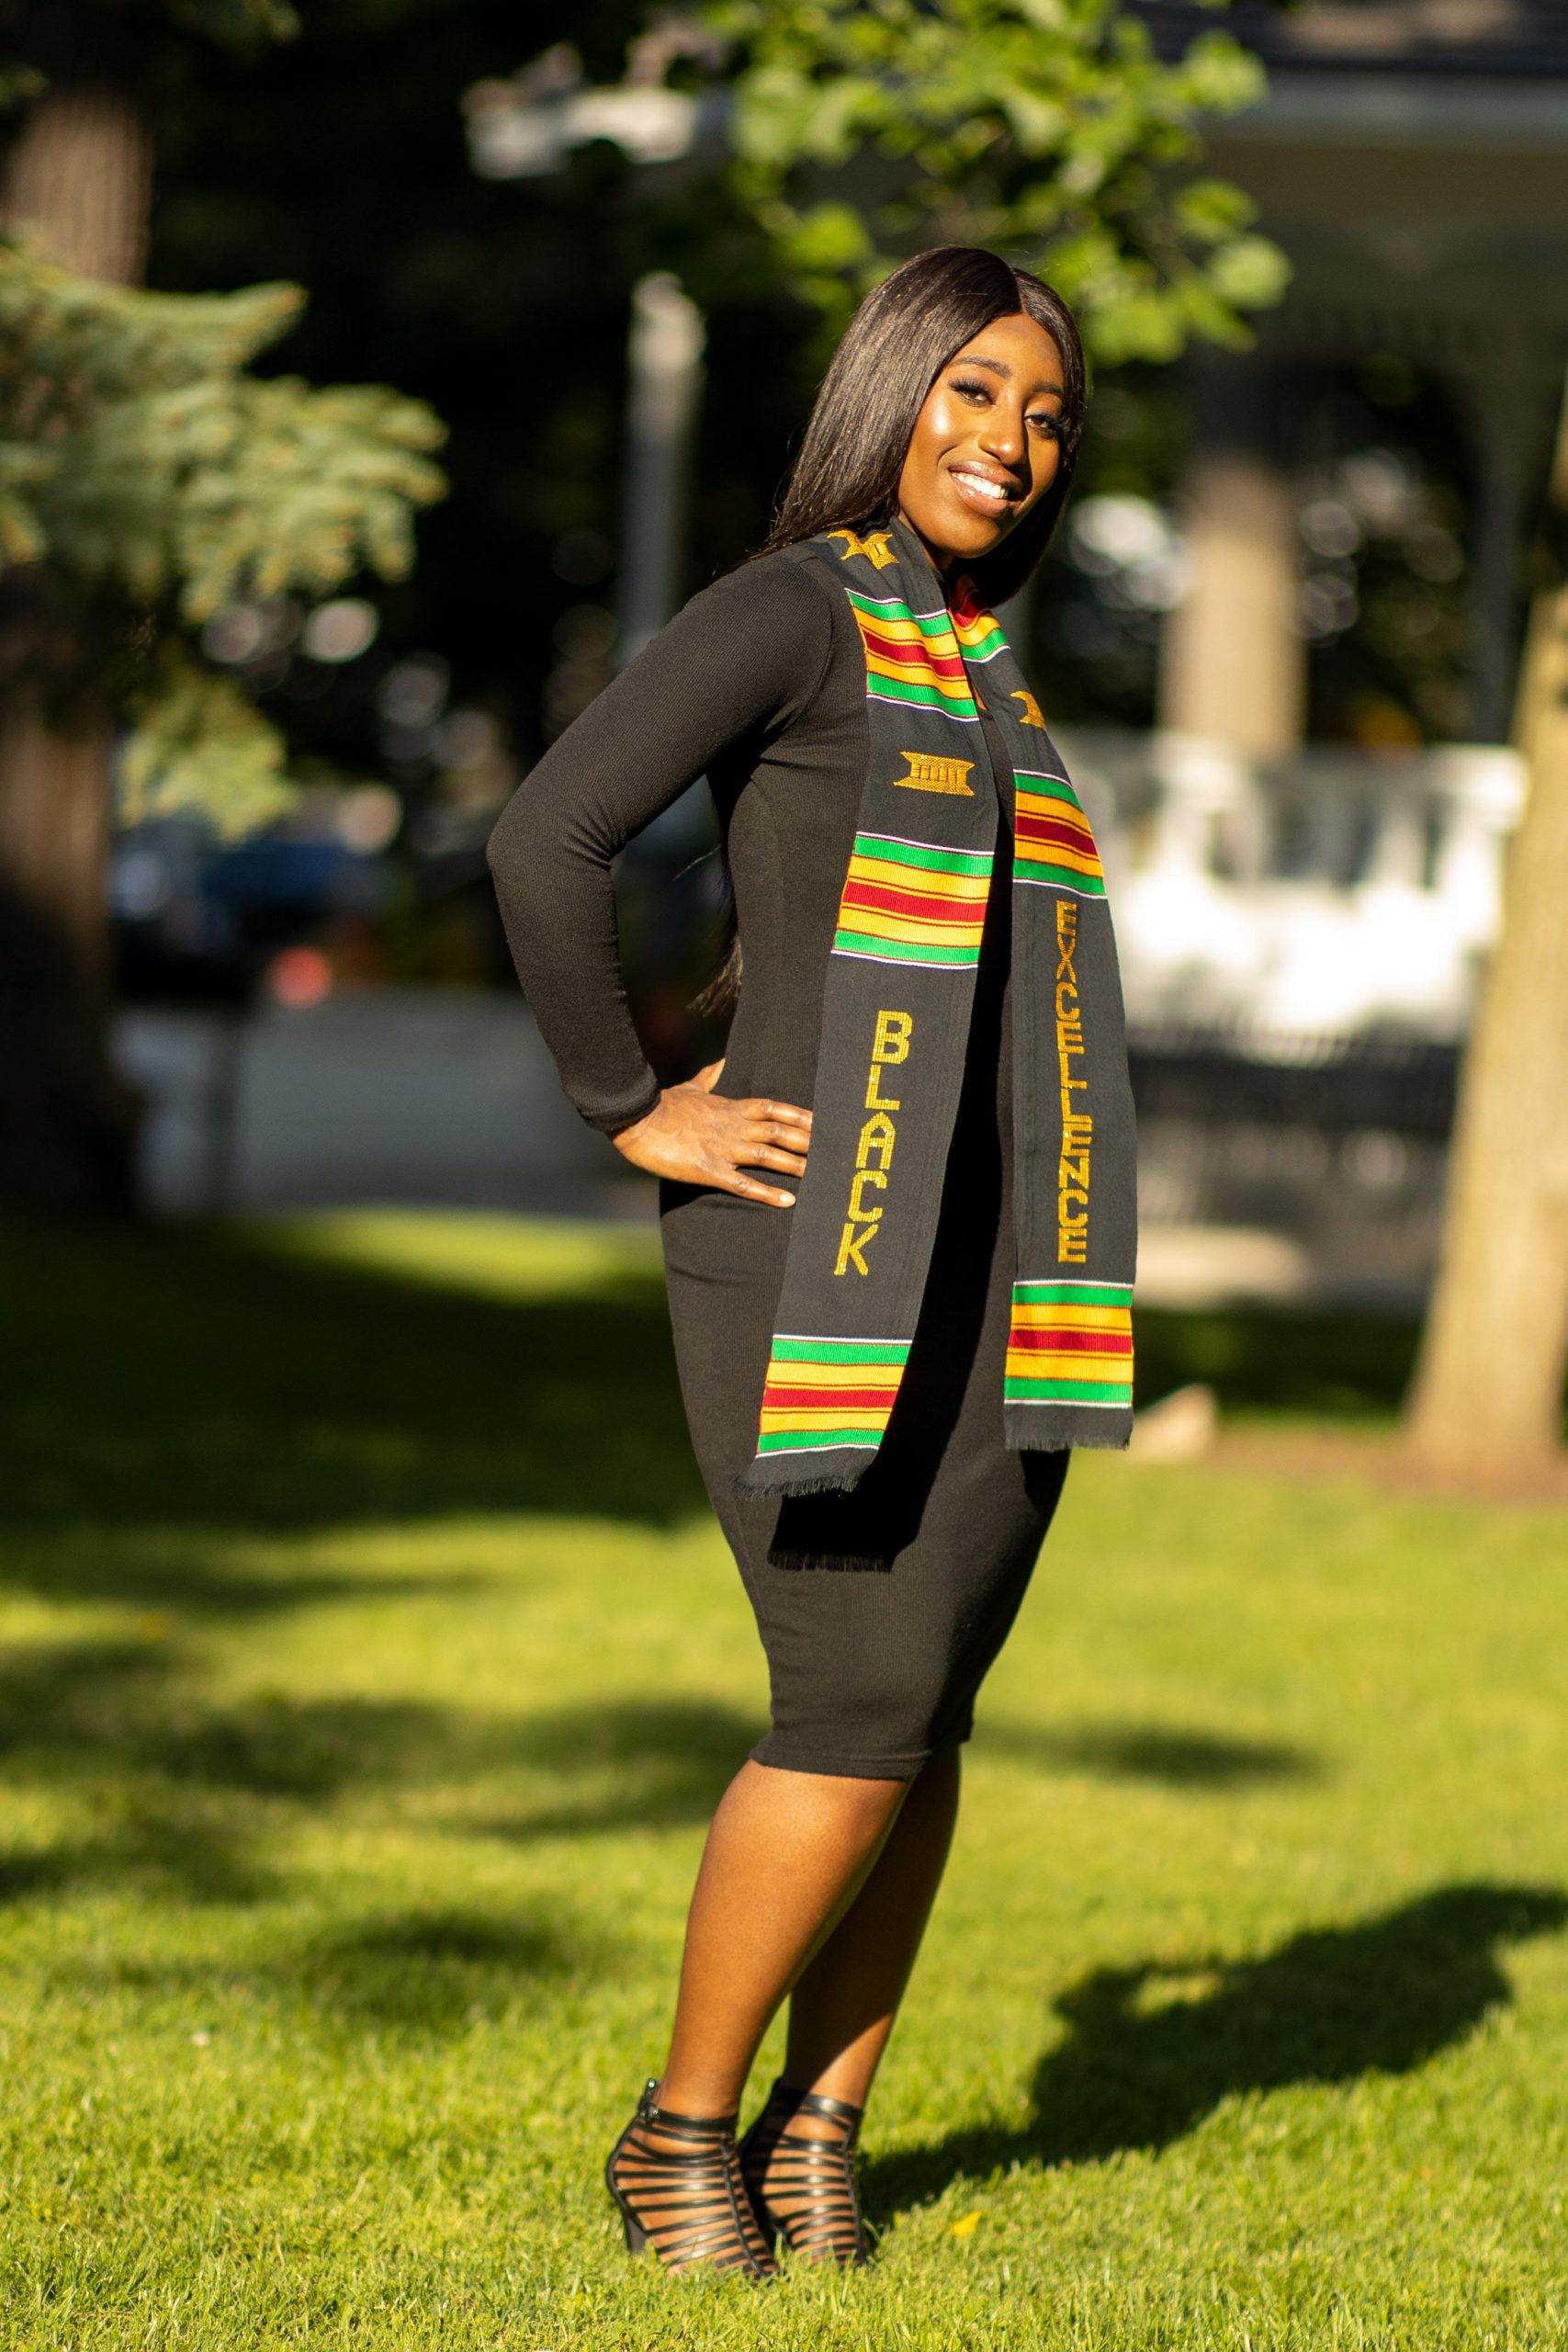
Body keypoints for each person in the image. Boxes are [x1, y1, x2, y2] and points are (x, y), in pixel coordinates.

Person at [487, 243, 1137, 2278]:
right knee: (851, 1691)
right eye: (974, 390)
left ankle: (816, 2130)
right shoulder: (794, 611)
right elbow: (545, 834)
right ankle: (678, 2131)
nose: (1010, 441)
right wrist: (628, 1102)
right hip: (810, 1244)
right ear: (891, 390)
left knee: (924, 1706)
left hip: (996, 1270)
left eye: (1044, 415)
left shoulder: (983, 669)